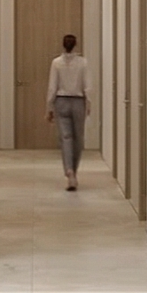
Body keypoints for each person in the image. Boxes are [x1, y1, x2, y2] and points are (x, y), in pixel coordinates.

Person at [45, 33, 91, 191]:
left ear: (63, 45)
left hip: (61, 101)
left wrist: (49, 107)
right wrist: (89, 102)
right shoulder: (83, 62)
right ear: (75, 45)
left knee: (65, 138)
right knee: (78, 139)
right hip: (78, 101)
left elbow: (52, 87)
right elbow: (87, 85)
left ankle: (69, 170)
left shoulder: (56, 63)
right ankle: (74, 172)